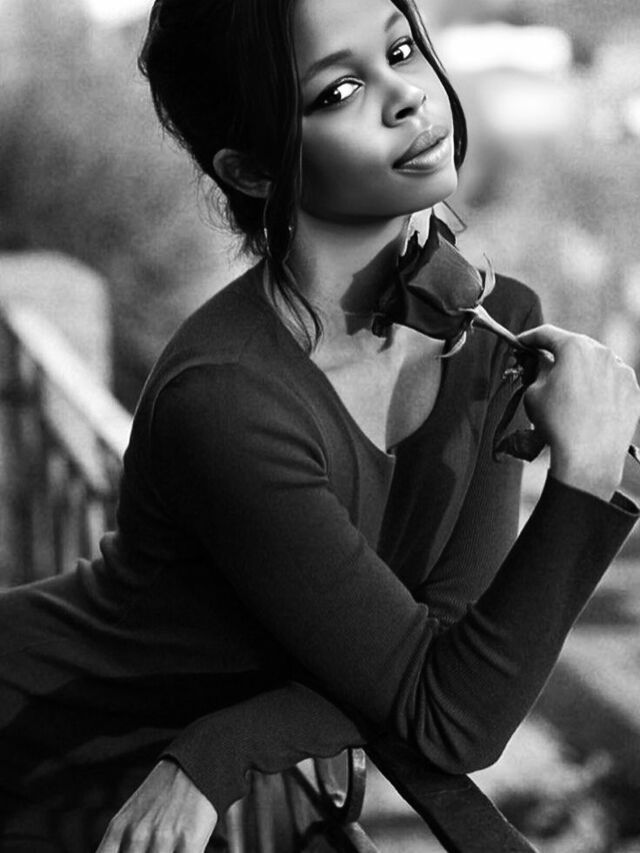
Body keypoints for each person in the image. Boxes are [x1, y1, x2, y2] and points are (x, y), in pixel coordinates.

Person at [0, 0, 639, 851]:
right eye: (338, 91)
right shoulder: (227, 399)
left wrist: (228, 745)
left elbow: (452, 654)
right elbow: (453, 716)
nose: (406, 97)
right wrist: (583, 478)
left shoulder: (497, 328)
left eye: (401, 50)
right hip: (33, 751)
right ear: (253, 170)